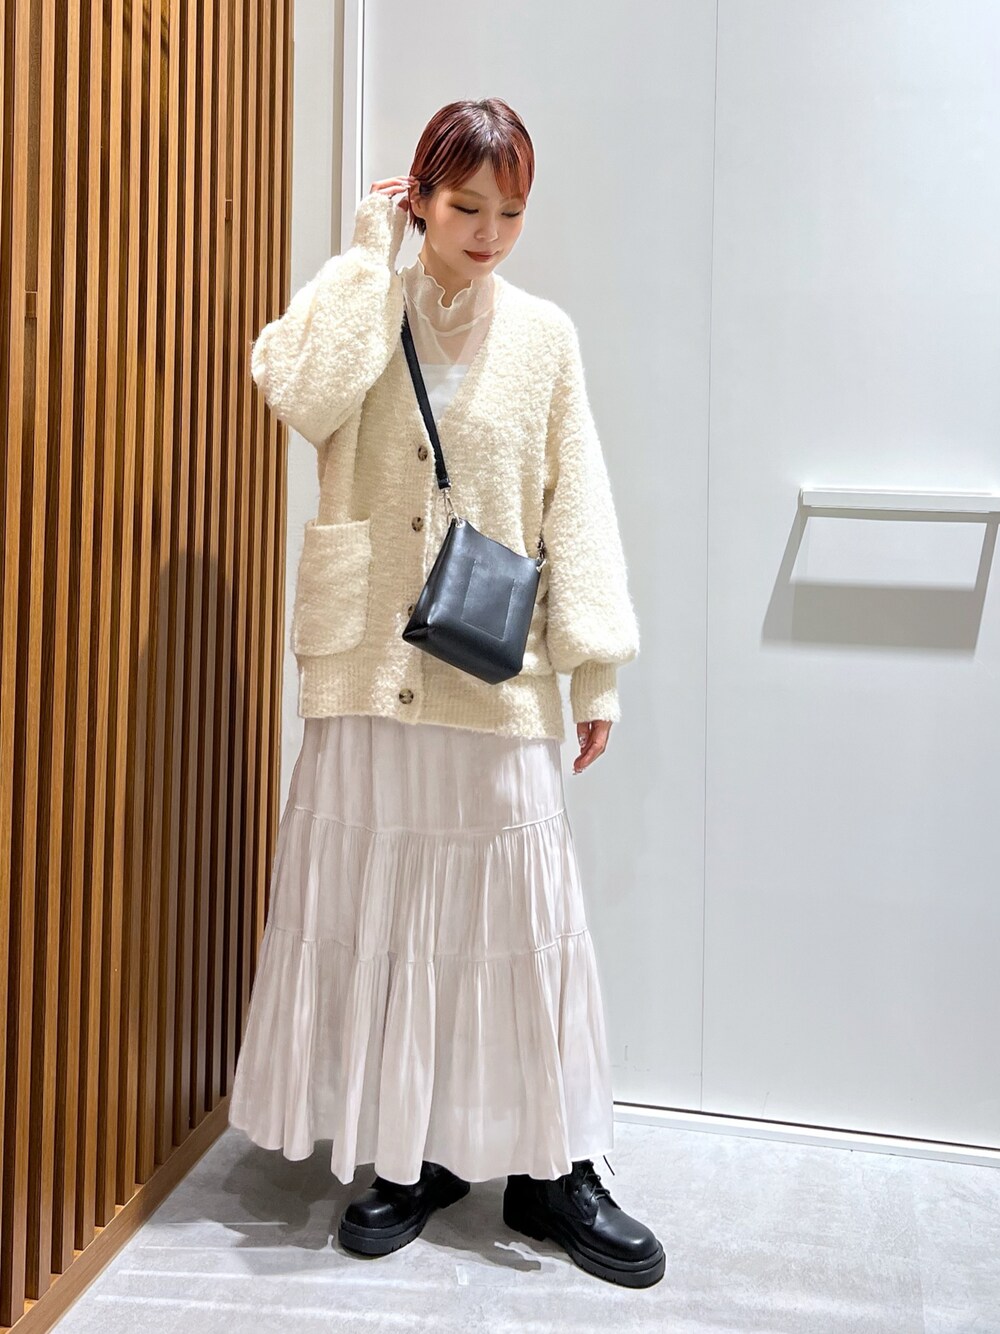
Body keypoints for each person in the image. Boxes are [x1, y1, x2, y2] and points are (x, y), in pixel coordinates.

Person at [227, 97, 664, 1289]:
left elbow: (577, 499)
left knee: (519, 923)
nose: (487, 232)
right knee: (388, 919)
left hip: (491, 668)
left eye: (510, 211)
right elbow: (295, 391)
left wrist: (595, 666)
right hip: (370, 663)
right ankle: (409, 1150)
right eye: (465, 206)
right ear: (417, 196)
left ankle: (550, 1169)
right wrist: (366, 260)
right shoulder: (364, 303)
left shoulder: (545, 336)